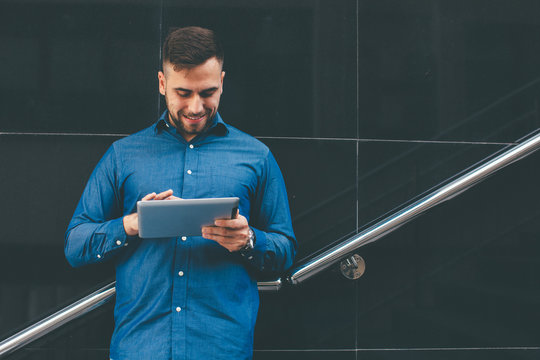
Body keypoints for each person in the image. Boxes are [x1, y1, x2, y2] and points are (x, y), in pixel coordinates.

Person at [64, 26, 296, 360]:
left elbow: (285, 248)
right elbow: (76, 245)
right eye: (183, 93)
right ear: (162, 84)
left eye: (208, 92)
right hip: (141, 348)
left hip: (221, 348)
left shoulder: (256, 156)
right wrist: (132, 223)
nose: (196, 106)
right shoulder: (123, 155)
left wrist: (249, 241)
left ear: (222, 82)